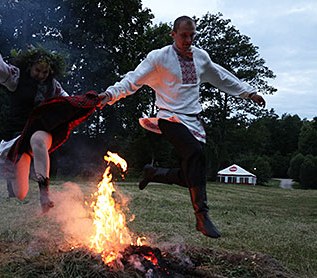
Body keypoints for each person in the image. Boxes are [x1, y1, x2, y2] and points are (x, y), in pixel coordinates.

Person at [98, 16, 266, 238]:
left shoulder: (201, 58)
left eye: (192, 35)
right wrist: (110, 94)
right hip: (169, 118)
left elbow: (222, 77)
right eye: (184, 35)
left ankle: (154, 173)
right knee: (195, 154)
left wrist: (249, 92)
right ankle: (202, 216)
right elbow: (133, 79)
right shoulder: (159, 58)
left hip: (193, 121)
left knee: (191, 176)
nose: (188, 40)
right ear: (173, 34)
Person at [0, 40, 99, 212]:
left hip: (40, 132)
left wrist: (93, 100)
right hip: (17, 137)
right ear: (30, 67)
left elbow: (69, 103)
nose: (41, 75)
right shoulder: (17, 77)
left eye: (45, 72)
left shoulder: (54, 86)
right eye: (38, 70)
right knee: (19, 193)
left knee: (39, 139)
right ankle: (15, 171)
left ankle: (44, 194)